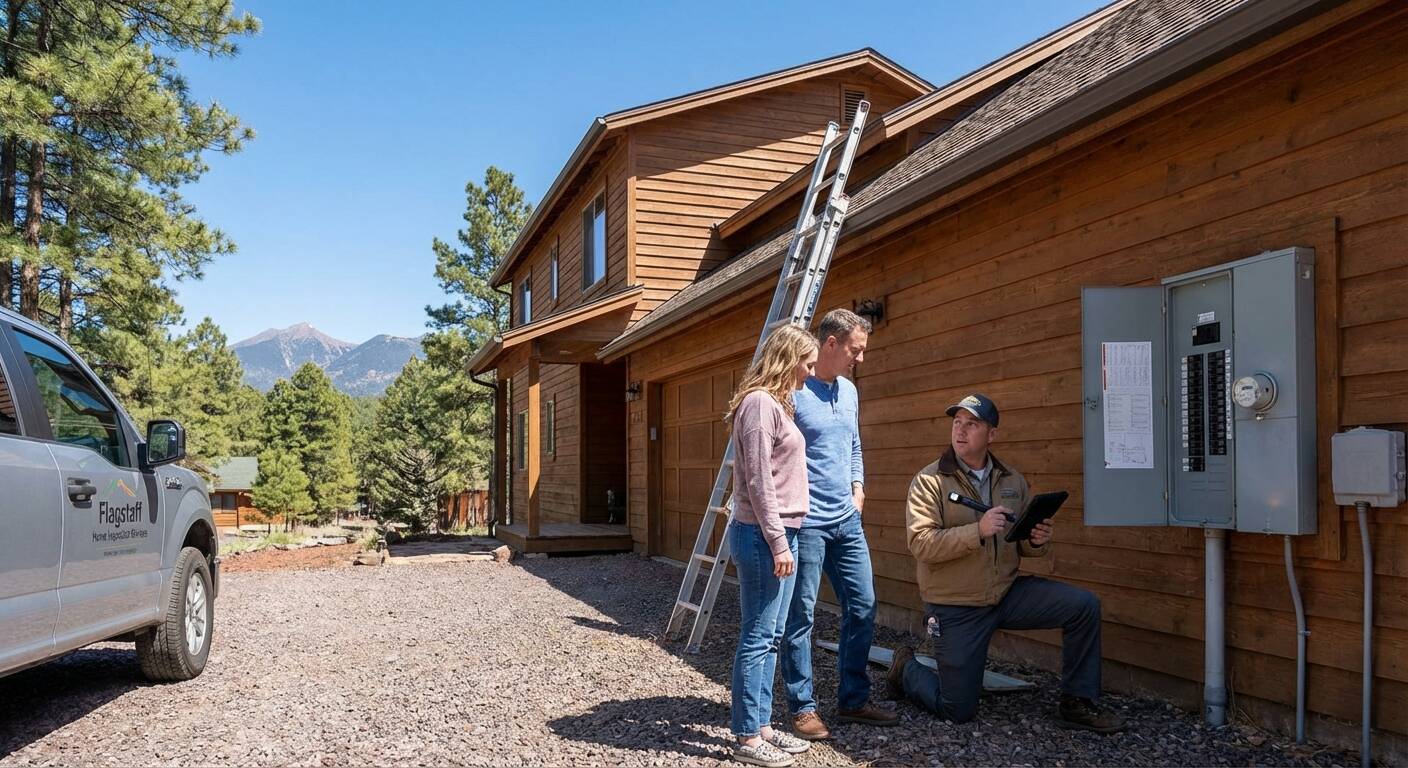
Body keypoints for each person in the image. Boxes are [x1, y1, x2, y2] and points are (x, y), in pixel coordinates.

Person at [887, 394, 1126, 733]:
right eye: (957, 422)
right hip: (957, 604)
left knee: (1083, 606)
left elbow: (1022, 544)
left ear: (991, 434)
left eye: (972, 424)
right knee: (957, 711)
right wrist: (977, 531)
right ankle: (906, 668)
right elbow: (921, 544)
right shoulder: (930, 481)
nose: (961, 430)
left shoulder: (1012, 480)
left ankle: (1077, 702)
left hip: (1006, 594)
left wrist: (1036, 540)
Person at [781, 308, 896, 741]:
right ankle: (803, 707)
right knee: (801, 616)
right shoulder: (793, 390)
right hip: (806, 524)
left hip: (847, 521)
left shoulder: (849, 391)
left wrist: (858, 484)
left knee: (863, 607)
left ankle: (853, 700)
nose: (859, 359)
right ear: (831, 343)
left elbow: (853, 442)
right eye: (856, 350)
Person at [725, 323, 820, 768]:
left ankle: (762, 726)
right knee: (758, 636)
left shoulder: (778, 405)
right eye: (808, 361)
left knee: (774, 634)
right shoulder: (760, 404)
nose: (810, 370)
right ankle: (746, 737)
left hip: (784, 534)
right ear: (788, 358)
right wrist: (780, 542)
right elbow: (760, 482)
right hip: (766, 536)